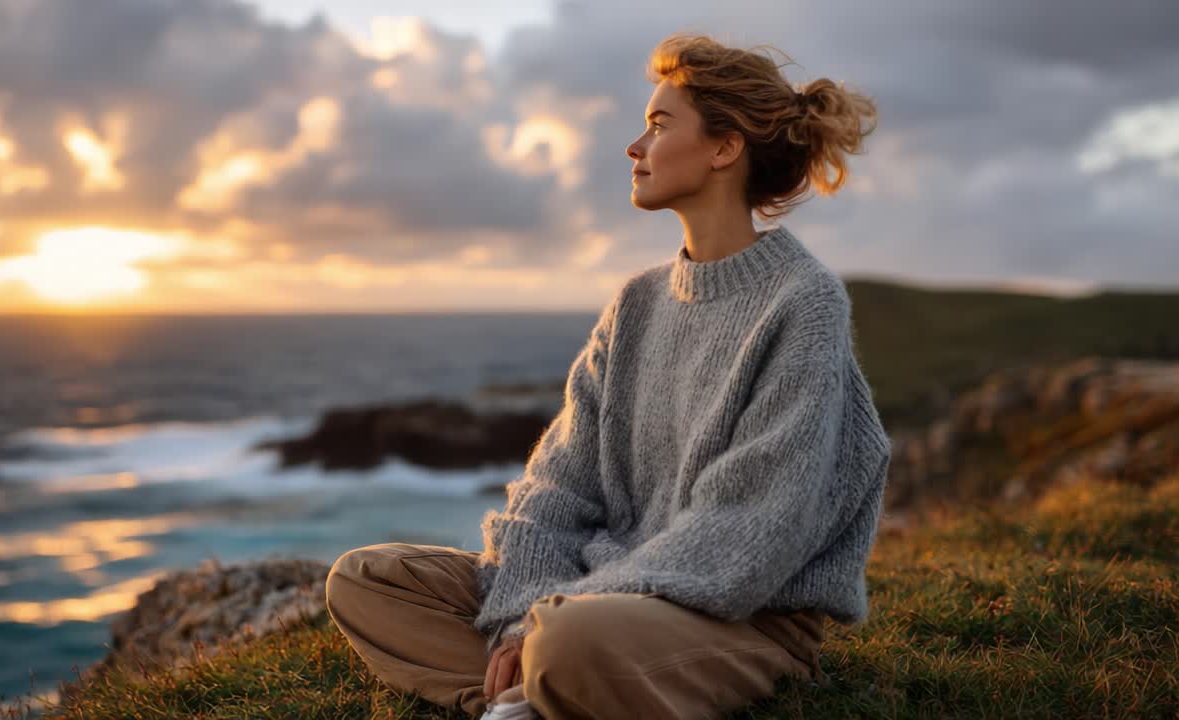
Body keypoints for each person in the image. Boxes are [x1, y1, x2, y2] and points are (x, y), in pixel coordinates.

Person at [325, 31, 888, 720]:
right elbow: (556, 485)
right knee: (367, 580)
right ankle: (528, 697)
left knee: (570, 638)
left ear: (724, 148)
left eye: (659, 125)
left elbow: (747, 532)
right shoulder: (637, 304)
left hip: (743, 620)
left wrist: (563, 611)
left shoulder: (803, 302)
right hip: (596, 607)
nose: (634, 146)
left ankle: (542, 682)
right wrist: (523, 613)